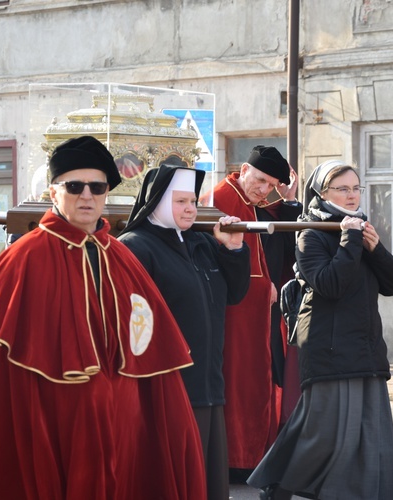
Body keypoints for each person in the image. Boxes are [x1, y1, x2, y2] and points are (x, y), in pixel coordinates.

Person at [0, 136, 206, 500]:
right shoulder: (23, 259)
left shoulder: (122, 256)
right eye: (74, 186)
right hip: (52, 426)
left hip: (121, 426)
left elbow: (152, 353)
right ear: (54, 193)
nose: (87, 196)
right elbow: (1, 380)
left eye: (97, 187)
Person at [248, 160, 393, 500]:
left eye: (355, 188)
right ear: (322, 194)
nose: (351, 196)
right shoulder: (311, 233)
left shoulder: (360, 229)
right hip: (328, 347)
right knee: (321, 432)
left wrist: (374, 247)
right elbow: (330, 285)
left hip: (365, 346)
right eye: (342, 189)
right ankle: (279, 485)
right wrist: (351, 240)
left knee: (365, 433)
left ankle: (282, 487)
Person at [118, 160, 251, 500]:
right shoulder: (135, 246)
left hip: (208, 384)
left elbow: (234, 295)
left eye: (192, 201)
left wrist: (234, 250)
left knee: (206, 485)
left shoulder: (201, 243)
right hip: (167, 388)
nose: (190, 208)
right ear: (159, 201)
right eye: (180, 202)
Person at [199, 145, 301, 477]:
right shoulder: (219, 199)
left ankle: (253, 456)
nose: (262, 189)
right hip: (233, 312)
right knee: (238, 384)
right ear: (243, 170)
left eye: (269, 185)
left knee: (257, 383)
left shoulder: (251, 202)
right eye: (259, 180)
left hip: (255, 312)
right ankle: (236, 459)